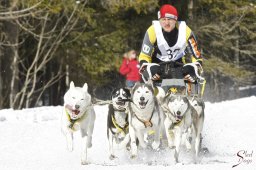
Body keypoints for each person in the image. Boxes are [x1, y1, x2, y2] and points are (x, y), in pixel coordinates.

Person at [138, 4, 204, 90]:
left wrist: (193, 68)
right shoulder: (152, 31)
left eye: (169, 19)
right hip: (157, 66)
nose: (166, 23)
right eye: (163, 19)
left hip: (178, 65)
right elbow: (144, 56)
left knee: (189, 79)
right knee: (153, 87)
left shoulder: (186, 31)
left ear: (175, 20)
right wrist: (148, 68)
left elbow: (197, 56)